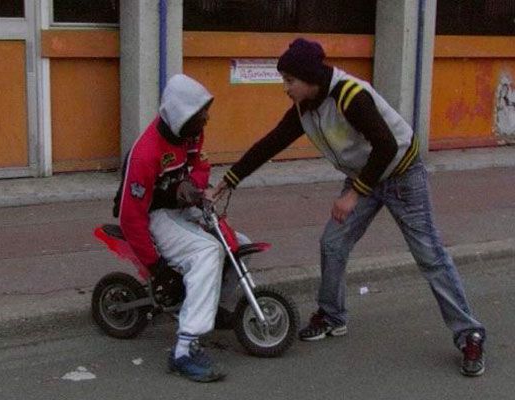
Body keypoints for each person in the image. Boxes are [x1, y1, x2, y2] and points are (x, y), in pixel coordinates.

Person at [206, 38, 486, 377]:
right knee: (333, 243)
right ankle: (331, 316)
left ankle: (468, 333)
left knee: (430, 256)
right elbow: (271, 143)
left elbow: (385, 145)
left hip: (401, 175)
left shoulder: (351, 96)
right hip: (364, 176)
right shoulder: (305, 108)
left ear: (310, 79)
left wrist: (354, 194)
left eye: (290, 81)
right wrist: (230, 179)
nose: (285, 88)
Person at [114, 74, 231, 382]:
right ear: (182, 114)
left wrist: (192, 186)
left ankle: (211, 305)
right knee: (208, 252)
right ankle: (184, 349)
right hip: (154, 216)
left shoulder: (190, 134)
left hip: (178, 208)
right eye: (201, 112)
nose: (207, 117)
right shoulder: (145, 153)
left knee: (235, 243)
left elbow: (201, 165)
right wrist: (157, 268)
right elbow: (130, 217)